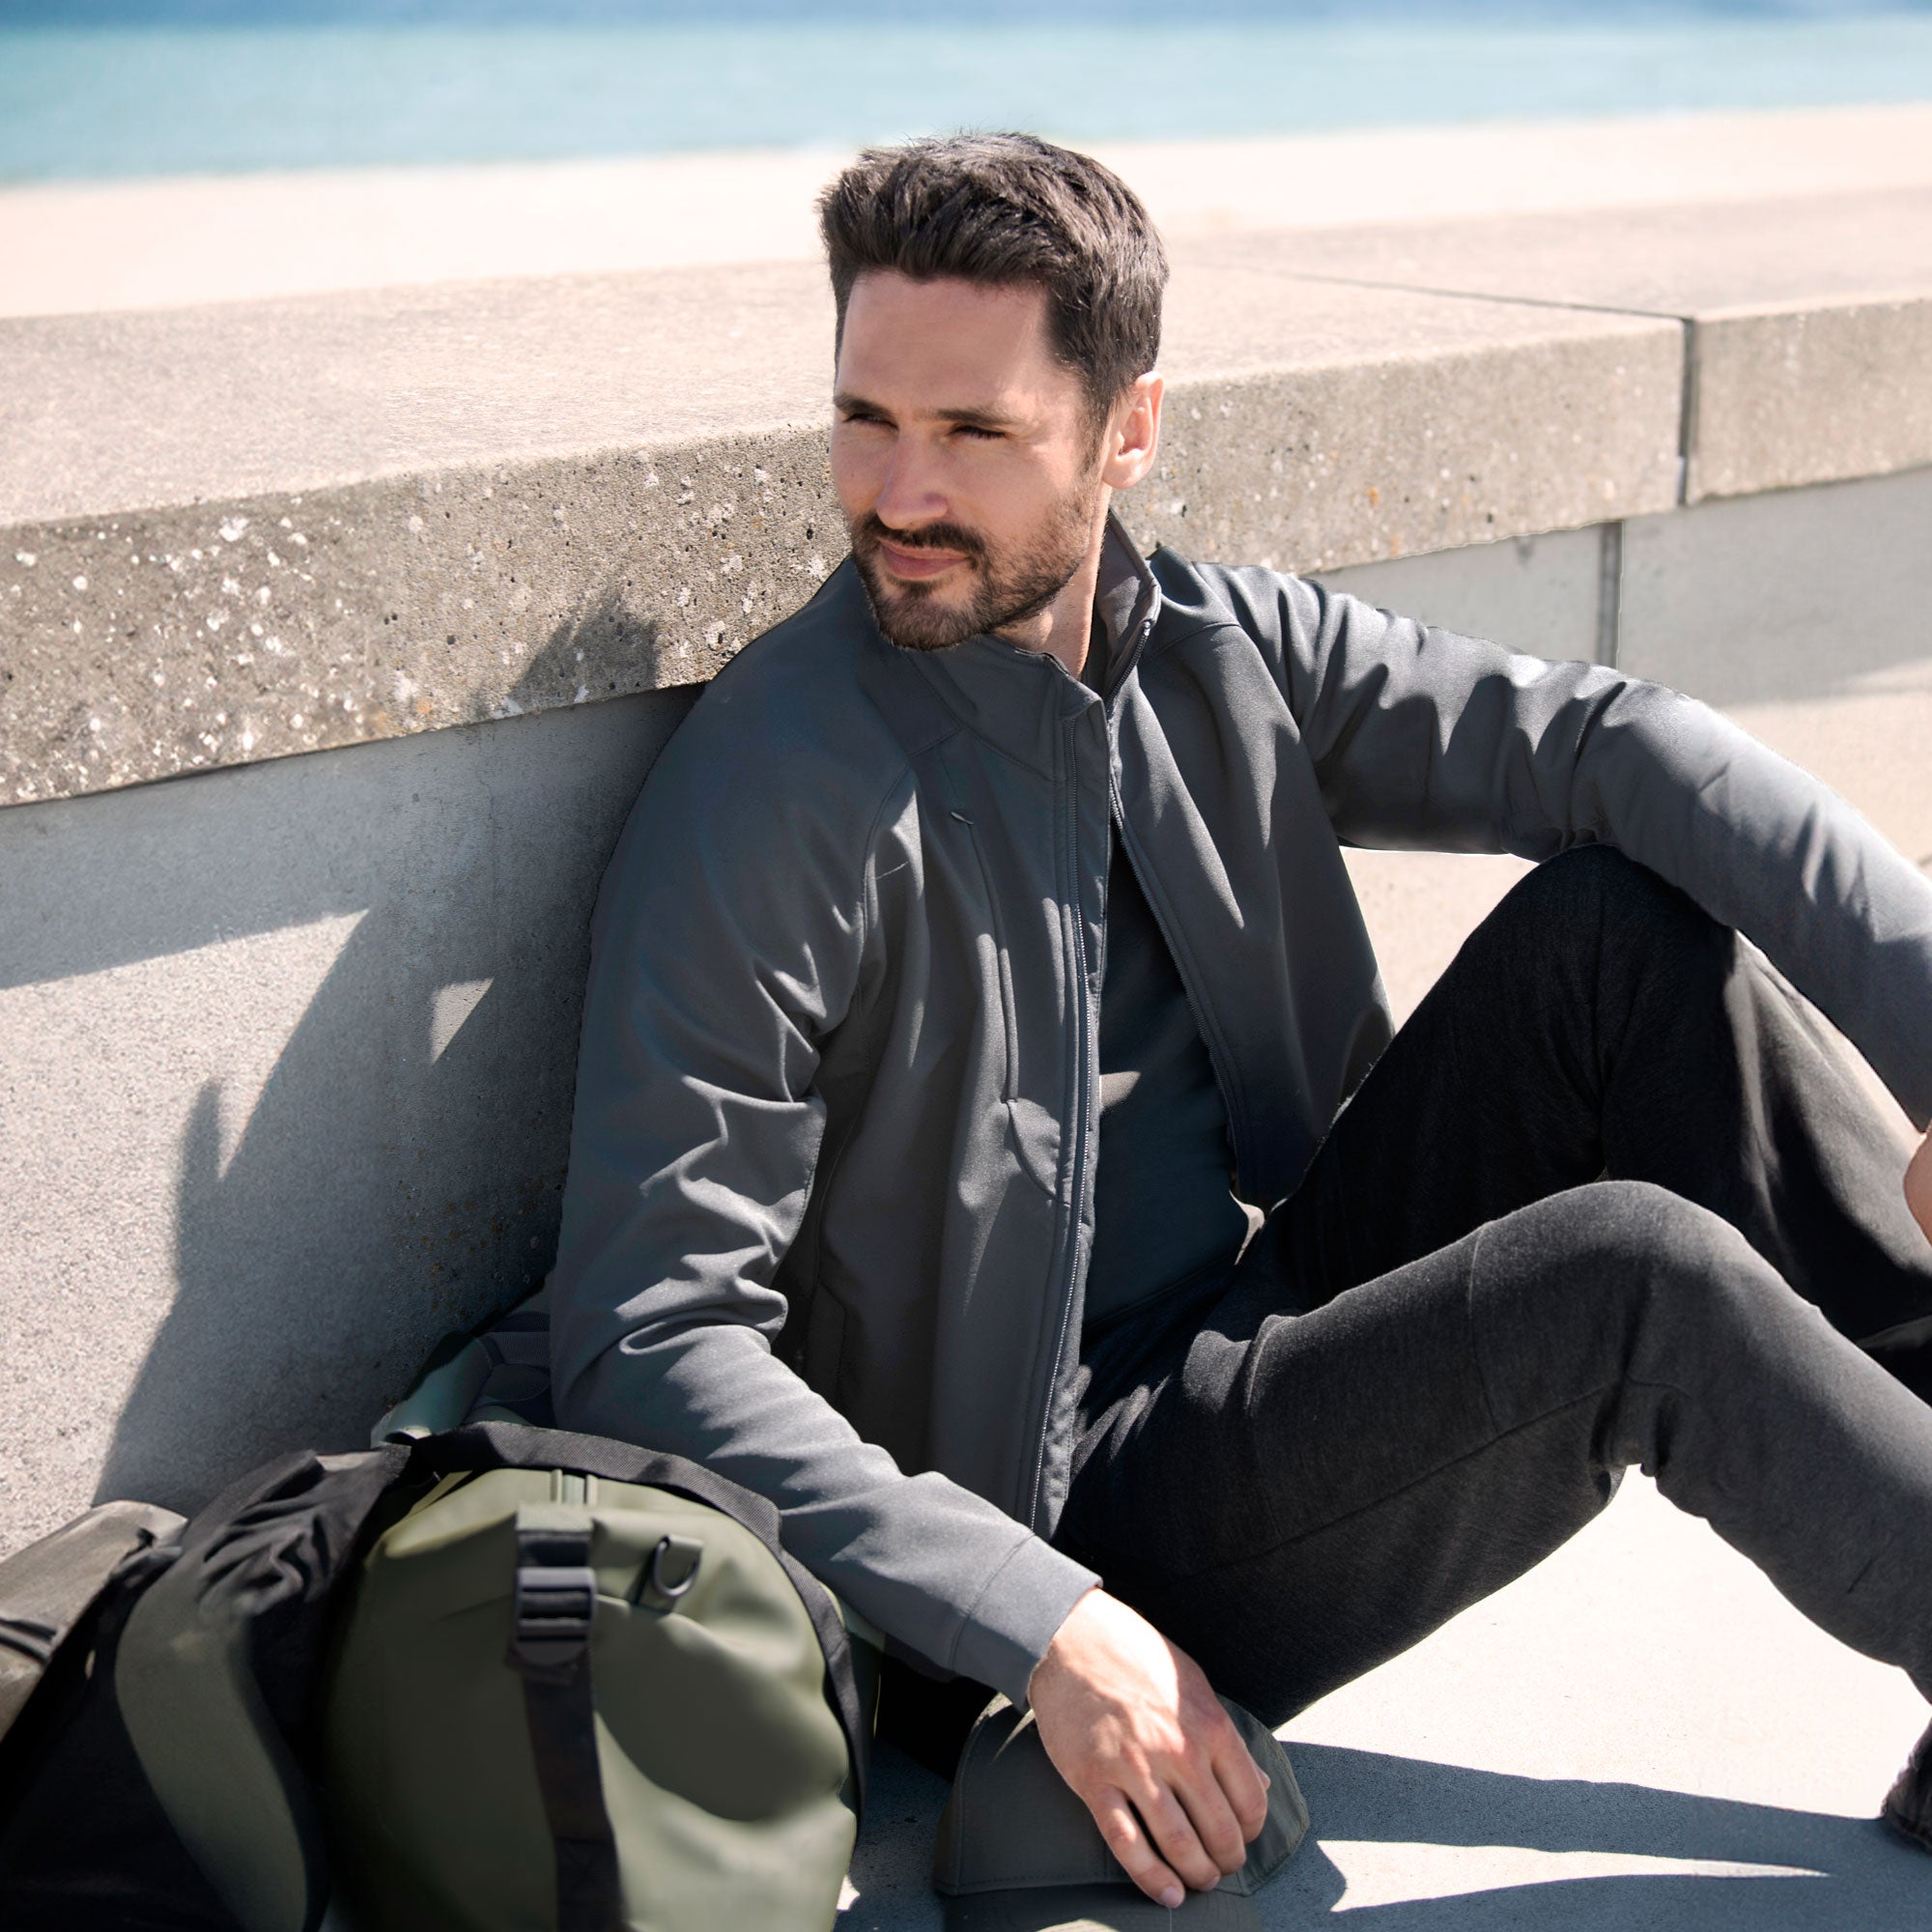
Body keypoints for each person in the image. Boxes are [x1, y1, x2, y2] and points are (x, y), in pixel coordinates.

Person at [550, 131, 1932, 1911]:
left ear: (1125, 432)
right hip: (1042, 1528)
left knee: (1616, 941)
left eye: (974, 432)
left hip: (1241, 1326)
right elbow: (650, 1333)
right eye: (864, 419)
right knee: (1632, 1280)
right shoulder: (773, 790)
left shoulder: (1197, 650)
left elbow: (1609, 744)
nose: (899, 492)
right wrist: (1043, 1623)